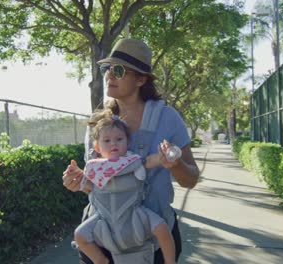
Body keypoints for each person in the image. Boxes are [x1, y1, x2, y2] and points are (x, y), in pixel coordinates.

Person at [63, 38, 200, 263]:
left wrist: (176, 165)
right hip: (103, 239)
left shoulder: (168, 119)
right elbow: (94, 185)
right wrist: (77, 182)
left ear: (141, 79)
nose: (109, 75)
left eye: (119, 70)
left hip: (153, 240)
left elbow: (191, 179)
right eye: (108, 69)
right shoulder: (97, 124)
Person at [74, 109, 177, 264]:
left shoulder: (132, 160)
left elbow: (150, 161)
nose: (113, 143)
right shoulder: (94, 167)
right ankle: (100, 260)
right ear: (97, 147)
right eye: (107, 141)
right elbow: (86, 185)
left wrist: (164, 156)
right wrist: (74, 176)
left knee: (162, 228)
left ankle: (170, 262)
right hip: (103, 216)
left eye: (119, 139)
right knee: (79, 235)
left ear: (128, 142)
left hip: (134, 213)